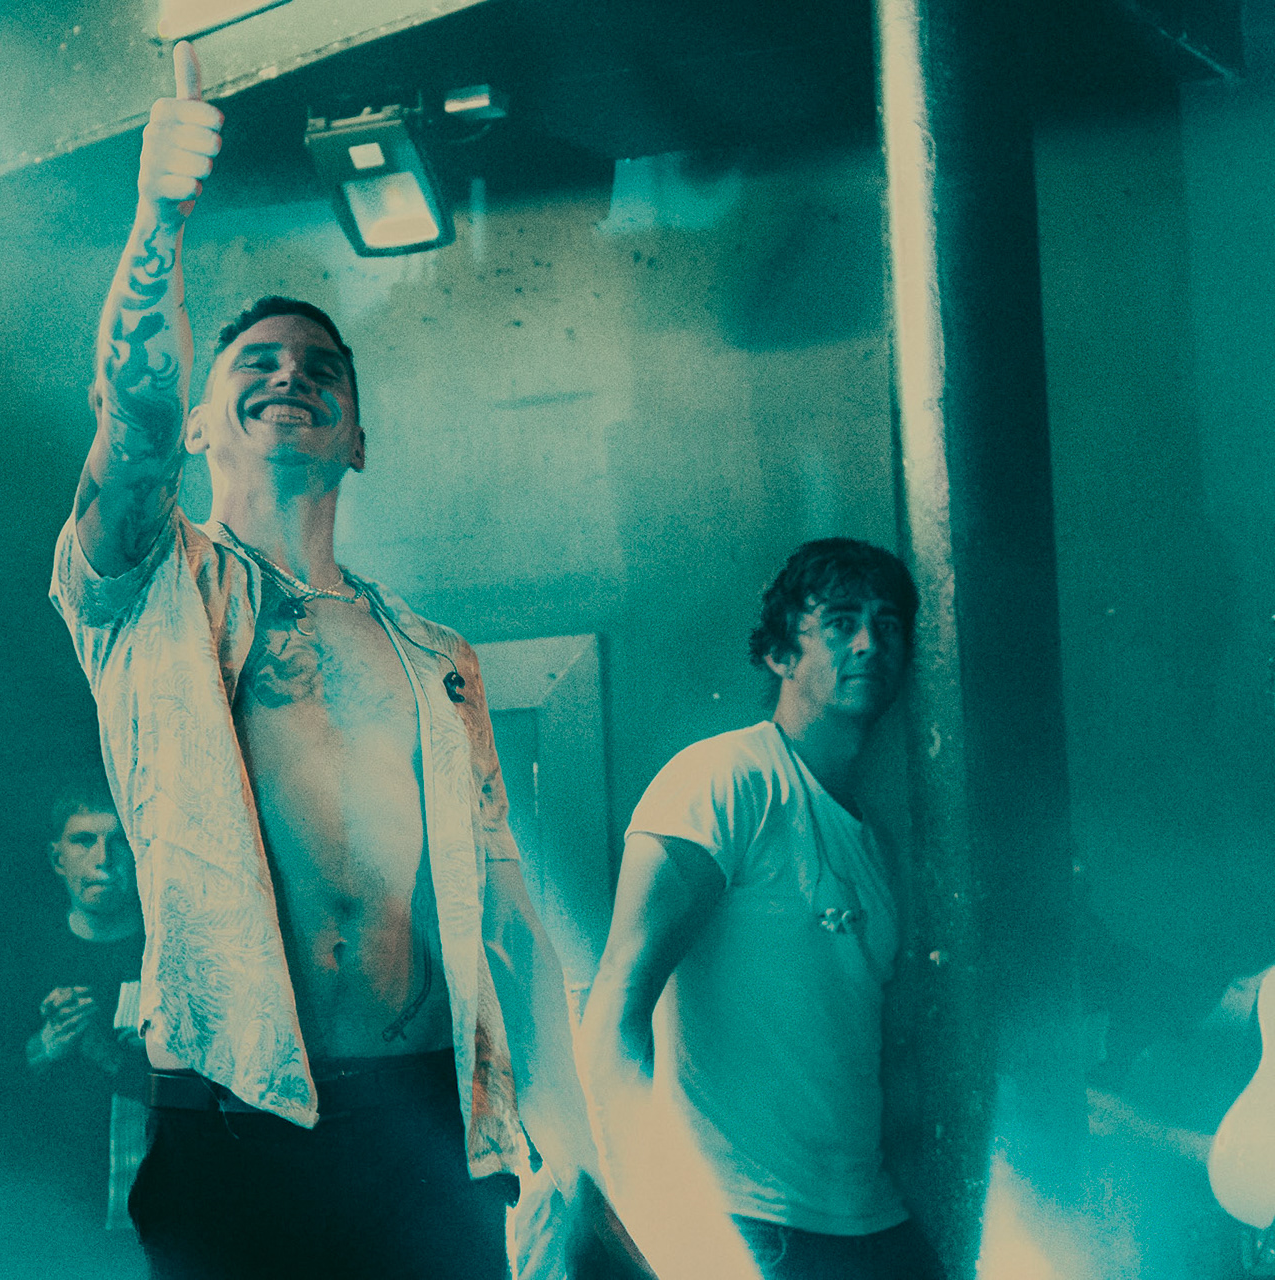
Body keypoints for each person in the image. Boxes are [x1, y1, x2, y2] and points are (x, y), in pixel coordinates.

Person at [47, 39, 597, 1280]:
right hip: (238, 1124)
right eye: (256, 365)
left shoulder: (438, 659)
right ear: (201, 424)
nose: (291, 374)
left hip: (425, 1120)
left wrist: (571, 1135)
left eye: (321, 370)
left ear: (359, 436)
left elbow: (505, 913)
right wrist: (159, 219)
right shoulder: (149, 589)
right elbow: (130, 415)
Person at [577, 537, 944, 1280]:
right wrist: (642, 1213)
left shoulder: (877, 842)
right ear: (781, 654)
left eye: (887, 624)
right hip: (740, 1222)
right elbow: (616, 1001)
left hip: (868, 1220)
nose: (869, 643)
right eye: (840, 622)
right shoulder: (723, 781)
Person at [21, 777, 150, 1235]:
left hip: (158, 1219)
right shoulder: (21, 961)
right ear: (58, 858)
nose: (103, 859)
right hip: (44, 1221)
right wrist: (43, 1045)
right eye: (83, 841)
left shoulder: (174, 959)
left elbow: (222, 1097)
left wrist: (108, 1055)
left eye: (119, 841)